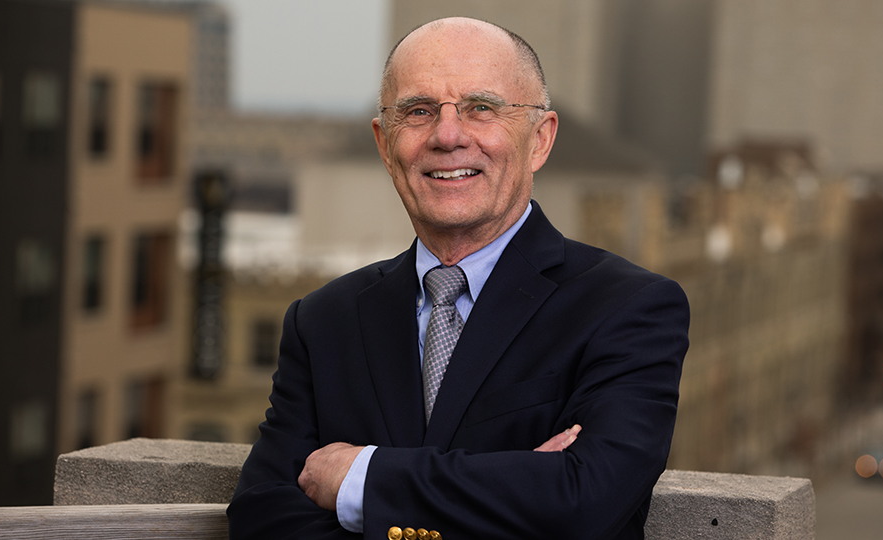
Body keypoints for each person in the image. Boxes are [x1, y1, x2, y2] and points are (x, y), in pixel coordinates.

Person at [228, 17, 689, 540]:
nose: (447, 136)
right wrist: (516, 488)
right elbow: (261, 519)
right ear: (385, 144)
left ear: (540, 138)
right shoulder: (323, 320)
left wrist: (362, 476)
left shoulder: (629, 307)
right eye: (418, 111)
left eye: (481, 108)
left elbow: (584, 503)